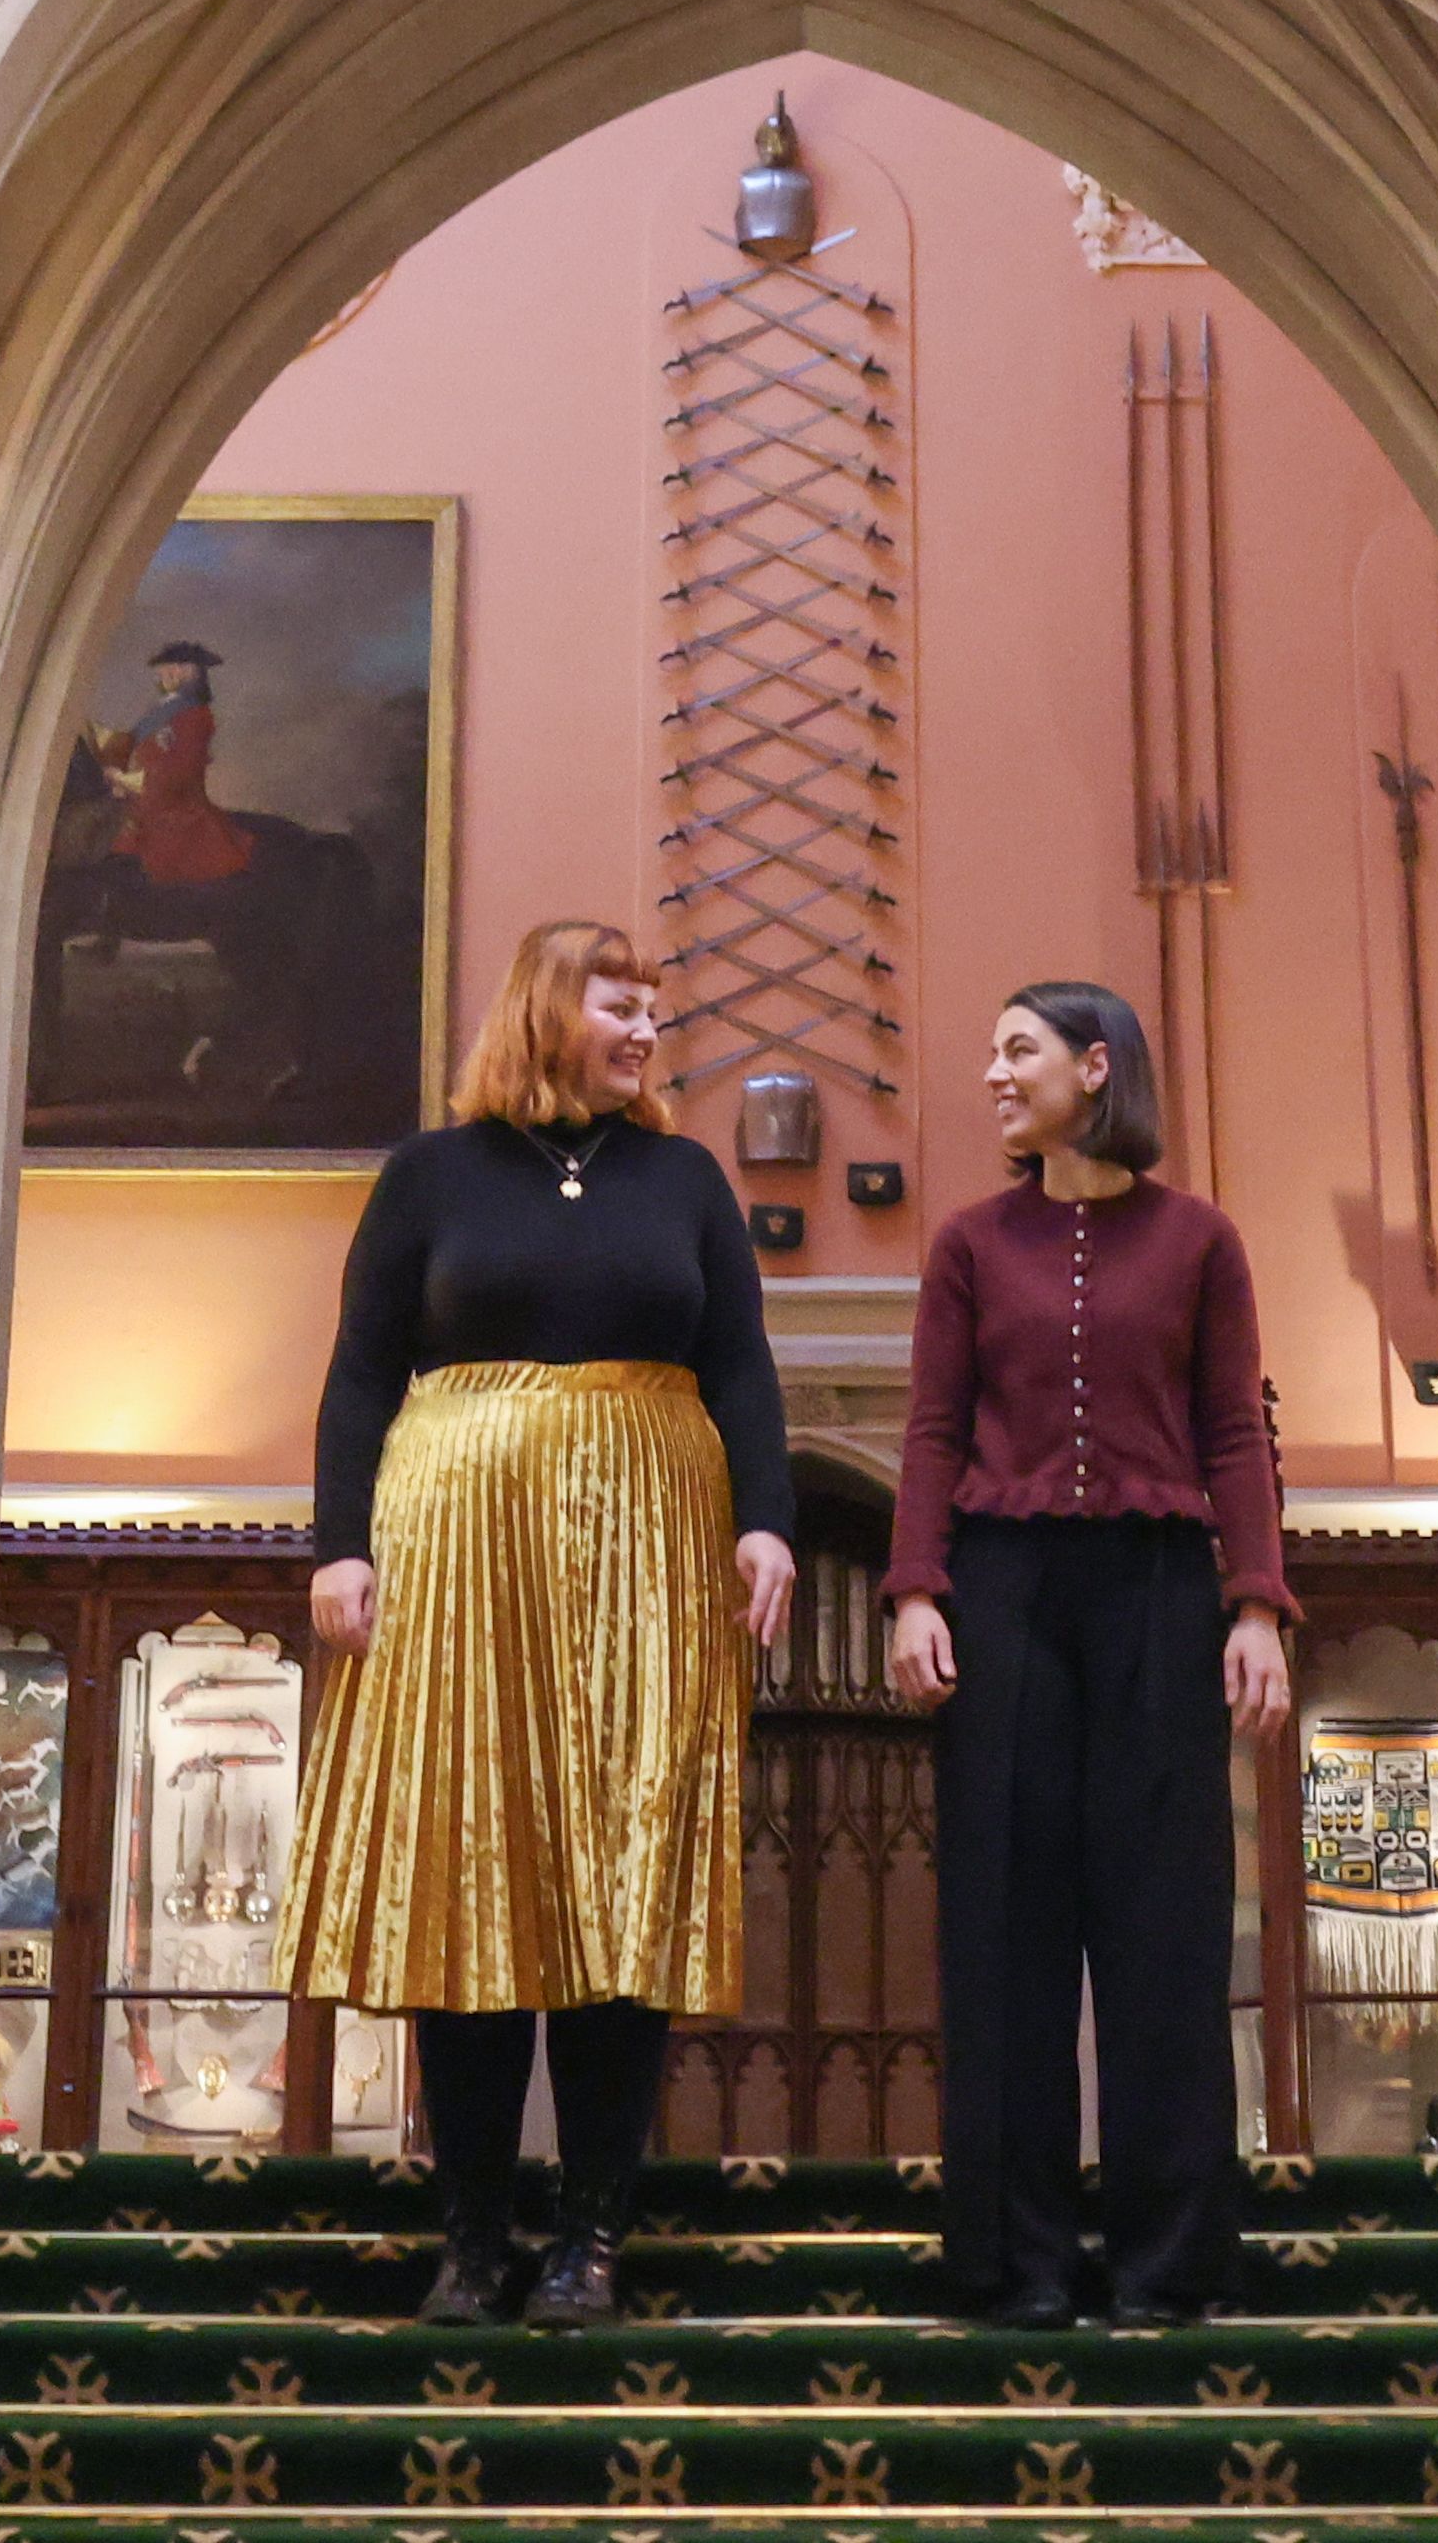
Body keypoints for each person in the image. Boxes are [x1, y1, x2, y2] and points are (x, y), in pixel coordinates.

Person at [282, 915, 797, 2322]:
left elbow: (740, 1364)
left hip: (649, 1545)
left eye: (654, 1013)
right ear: (546, 1011)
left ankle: (592, 2237)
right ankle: (471, 2234)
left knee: (618, 1880)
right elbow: (358, 1372)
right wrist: (343, 1546)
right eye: (620, 1008)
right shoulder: (430, 1174)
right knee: (475, 1874)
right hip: (455, 1541)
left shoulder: (687, 1178)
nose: (646, 1033)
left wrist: (767, 1517)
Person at [882, 977, 1290, 2324]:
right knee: (1004, 1931)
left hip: (1160, 1598)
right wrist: (917, 1590)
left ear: (1094, 1064)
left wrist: (1256, 1604)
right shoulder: (967, 1244)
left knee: (1166, 1930)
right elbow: (935, 1430)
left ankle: (1169, 2262)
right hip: (1002, 1598)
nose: (993, 1073)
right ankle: (1019, 2263)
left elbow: (1235, 1431)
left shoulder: (1200, 1241)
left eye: (1018, 1050)